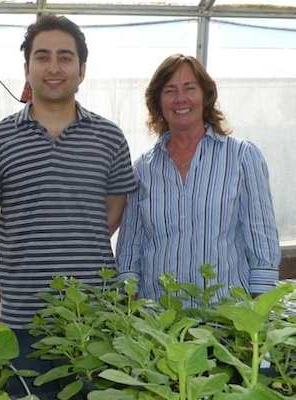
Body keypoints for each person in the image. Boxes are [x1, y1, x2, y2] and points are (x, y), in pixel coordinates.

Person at [0, 14, 136, 397]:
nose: (54, 67)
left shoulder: (109, 138)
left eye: (65, 57)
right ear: (27, 68)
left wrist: (76, 240)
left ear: (82, 69)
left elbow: (113, 210)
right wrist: (25, 249)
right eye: (42, 57)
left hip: (94, 314)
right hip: (24, 317)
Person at [116, 54, 281, 308]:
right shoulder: (142, 170)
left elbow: (262, 250)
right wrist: (131, 315)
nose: (180, 98)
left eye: (190, 88)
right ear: (158, 102)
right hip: (160, 325)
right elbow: (129, 252)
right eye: (169, 90)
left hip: (226, 323)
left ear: (206, 95)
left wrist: (256, 321)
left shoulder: (242, 157)